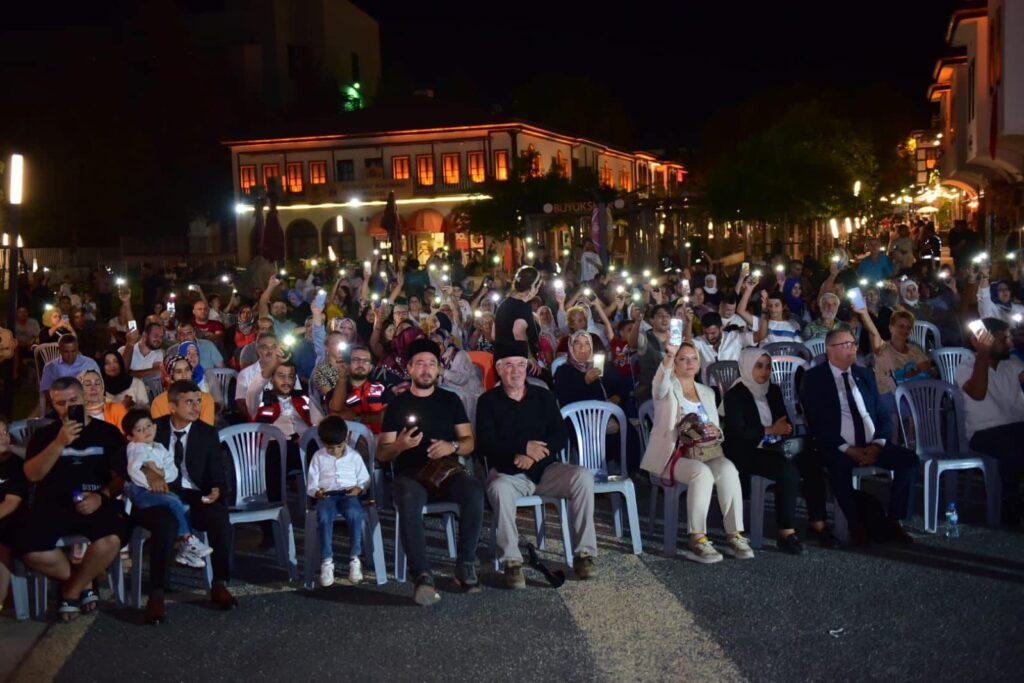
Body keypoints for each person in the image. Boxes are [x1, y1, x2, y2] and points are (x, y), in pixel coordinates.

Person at [477, 341, 597, 588]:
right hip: (508, 474)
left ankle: (584, 554)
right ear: (499, 369)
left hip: (545, 471)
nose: (515, 371)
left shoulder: (543, 396)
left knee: (582, 477)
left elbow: (560, 437)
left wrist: (532, 455)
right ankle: (512, 562)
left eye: (520, 365)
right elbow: (486, 444)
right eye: (509, 365)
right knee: (498, 489)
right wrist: (520, 448)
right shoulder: (487, 401)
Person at [377, 338, 483, 605]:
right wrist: (399, 446)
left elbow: (469, 443)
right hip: (411, 475)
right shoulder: (397, 406)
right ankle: (422, 575)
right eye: (420, 364)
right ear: (410, 369)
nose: (426, 370)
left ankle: (465, 563)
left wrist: (452, 446)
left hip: (445, 472)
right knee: (408, 496)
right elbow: (382, 454)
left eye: (431, 364)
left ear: (438, 370)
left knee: (473, 489)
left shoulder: (450, 400)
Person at [20, 377, 128, 621]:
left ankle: (69, 591)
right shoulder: (45, 435)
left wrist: (102, 496)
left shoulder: (107, 433)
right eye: (60, 403)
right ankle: (83, 582)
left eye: (73, 401)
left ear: (84, 398)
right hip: (55, 503)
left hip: (96, 500)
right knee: (30, 549)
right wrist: (59, 443)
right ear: (52, 403)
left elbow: (121, 477)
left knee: (111, 538)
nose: (67, 408)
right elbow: (32, 474)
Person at [800, 329, 918, 546]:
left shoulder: (864, 375)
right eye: (845, 345)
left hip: (872, 443)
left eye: (853, 344)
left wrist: (877, 445)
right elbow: (816, 422)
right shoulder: (815, 378)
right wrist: (847, 449)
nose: (852, 349)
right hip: (839, 446)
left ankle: (894, 521)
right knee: (837, 466)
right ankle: (856, 525)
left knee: (909, 460)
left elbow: (882, 415)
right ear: (830, 351)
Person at [639, 341, 753, 564]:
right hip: (674, 456)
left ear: (700, 363)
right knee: (702, 473)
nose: (689, 363)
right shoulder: (666, 388)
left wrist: (715, 430)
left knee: (729, 469)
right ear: (675, 364)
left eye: (693, 358)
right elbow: (659, 383)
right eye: (683, 359)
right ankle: (698, 538)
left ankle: (734, 534)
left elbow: (717, 428)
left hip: (704, 451)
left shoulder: (707, 392)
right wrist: (668, 357)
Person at [134, 380, 237, 624]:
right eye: (189, 402)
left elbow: (217, 471)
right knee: (166, 525)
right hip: (160, 494)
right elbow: (125, 455)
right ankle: (156, 594)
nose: (196, 407)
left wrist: (216, 490)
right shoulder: (153, 429)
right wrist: (147, 471)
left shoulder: (206, 432)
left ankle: (220, 583)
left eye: (198, 401)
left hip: (193, 492)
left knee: (219, 518)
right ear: (172, 406)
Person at [723, 349, 837, 554]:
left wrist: (783, 431)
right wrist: (769, 430)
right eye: (758, 366)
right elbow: (737, 433)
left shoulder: (772, 390)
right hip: (745, 450)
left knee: (811, 458)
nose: (764, 371)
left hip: (773, 445)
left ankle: (817, 522)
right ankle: (786, 532)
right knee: (788, 471)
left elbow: (783, 420)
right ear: (747, 367)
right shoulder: (735, 394)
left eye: (768, 366)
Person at [121, 409, 213, 568]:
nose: (146, 431)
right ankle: (188, 539)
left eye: (148, 426)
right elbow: (134, 471)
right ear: (130, 436)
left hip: (158, 490)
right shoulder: (136, 447)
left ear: (155, 427)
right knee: (173, 501)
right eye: (139, 430)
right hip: (141, 493)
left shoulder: (159, 448)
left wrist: (161, 473)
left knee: (183, 506)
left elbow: (172, 471)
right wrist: (151, 479)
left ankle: (186, 550)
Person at [956, 318, 1024, 524]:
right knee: (1012, 450)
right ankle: (1008, 511)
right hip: (984, 433)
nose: (1010, 344)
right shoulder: (965, 368)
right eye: (1004, 339)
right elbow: (977, 393)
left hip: (1016, 426)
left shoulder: (1012, 364)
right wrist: (983, 355)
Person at [306, 417, 369, 587]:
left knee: (355, 514)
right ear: (323, 443)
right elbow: (311, 483)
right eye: (330, 448)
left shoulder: (354, 456)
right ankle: (327, 560)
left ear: (346, 440)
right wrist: (316, 492)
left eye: (339, 447)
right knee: (324, 516)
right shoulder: (318, 457)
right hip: (327, 495)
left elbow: (364, 478)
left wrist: (359, 488)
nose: (335, 451)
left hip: (349, 494)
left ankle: (355, 558)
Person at [0, 418, 28, 613]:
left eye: (5, 432)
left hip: (13, 517)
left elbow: (11, 503)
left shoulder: (14, 463)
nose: (4, 438)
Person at [328, 345, 388, 433]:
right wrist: (342, 378)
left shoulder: (381, 387)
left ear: (371, 367)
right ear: (347, 365)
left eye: (366, 361)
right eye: (356, 360)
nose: (361, 364)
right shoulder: (338, 389)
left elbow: (386, 416)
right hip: (347, 440)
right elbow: (336, 412)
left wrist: (356, 417)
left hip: (378, 438)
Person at [39, 335, 101, 413]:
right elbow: (47, 391)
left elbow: (99, 387)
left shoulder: (89, 364)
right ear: (59, 350)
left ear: (77, 349)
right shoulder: (50, 367)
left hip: (87, 407)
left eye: (73, 351)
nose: (70, 355)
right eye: (66, 352)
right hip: (61, 407)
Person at [150, 354, 217, 425]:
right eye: (178, 372)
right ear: (170, 378)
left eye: (187, 370)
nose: (184, 375)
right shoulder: (159, 403)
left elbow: (206, 432)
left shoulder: (205, 399)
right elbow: (161, 433)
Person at [495, 266, 542, 365]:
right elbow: (518, 333)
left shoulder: (503, 303)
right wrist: (530, 357)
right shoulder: (523, 307)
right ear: (532, 287)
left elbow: (493, 334)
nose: (537, 290)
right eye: (538, 287)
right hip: (517, 365)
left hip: (501, 360)